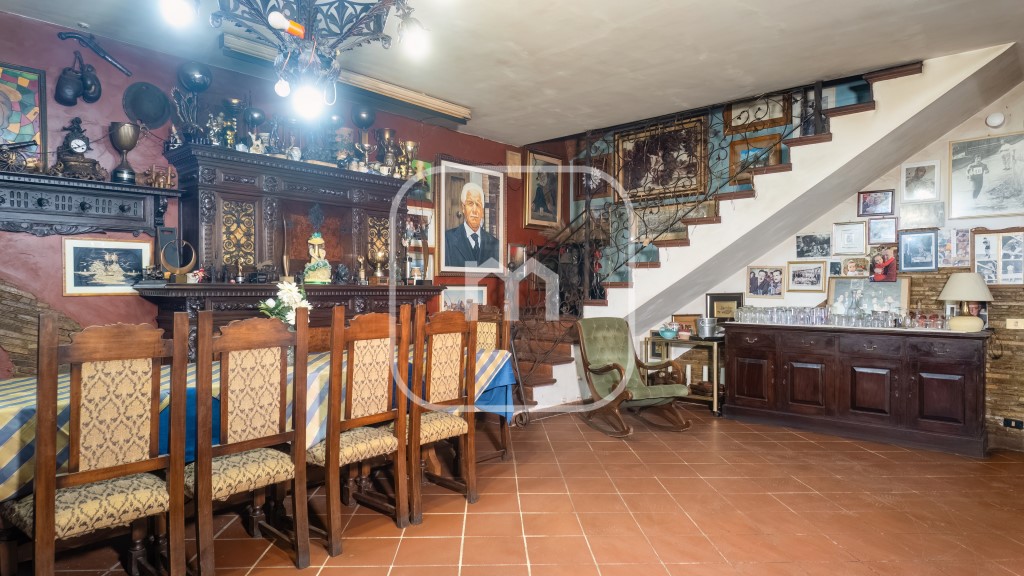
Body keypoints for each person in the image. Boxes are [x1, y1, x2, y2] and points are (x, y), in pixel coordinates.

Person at [444, 182, 499, 267]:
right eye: (470, 203)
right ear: (463, 208)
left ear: (482, 211)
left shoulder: (495, 244)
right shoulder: (448, 240)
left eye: (478, 204)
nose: (474, 210)